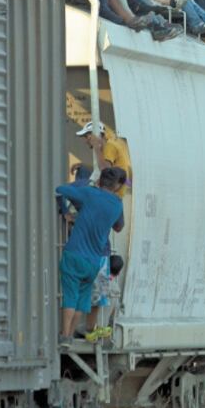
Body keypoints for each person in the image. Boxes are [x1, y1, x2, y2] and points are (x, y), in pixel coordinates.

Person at [55, 167, 126, 345]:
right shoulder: (117, 204)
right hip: (94, 261)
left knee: (70, 296)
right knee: (82, 300)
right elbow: (119, 227)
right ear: (117, 186)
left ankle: (65, 336)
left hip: (74, 253)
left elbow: (61, 189)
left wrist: (67, 212)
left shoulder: (89, 193)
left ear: (100, 180)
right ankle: (70, 334)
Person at [73, 122, 132, 198]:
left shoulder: (110, 146)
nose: (86, 141)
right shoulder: (110, 145)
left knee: (76, 185)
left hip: (115, 194)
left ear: (98, 135)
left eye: (87, 137)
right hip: (115, 187)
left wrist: (96, 147)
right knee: (83, 170)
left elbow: (105, 169)